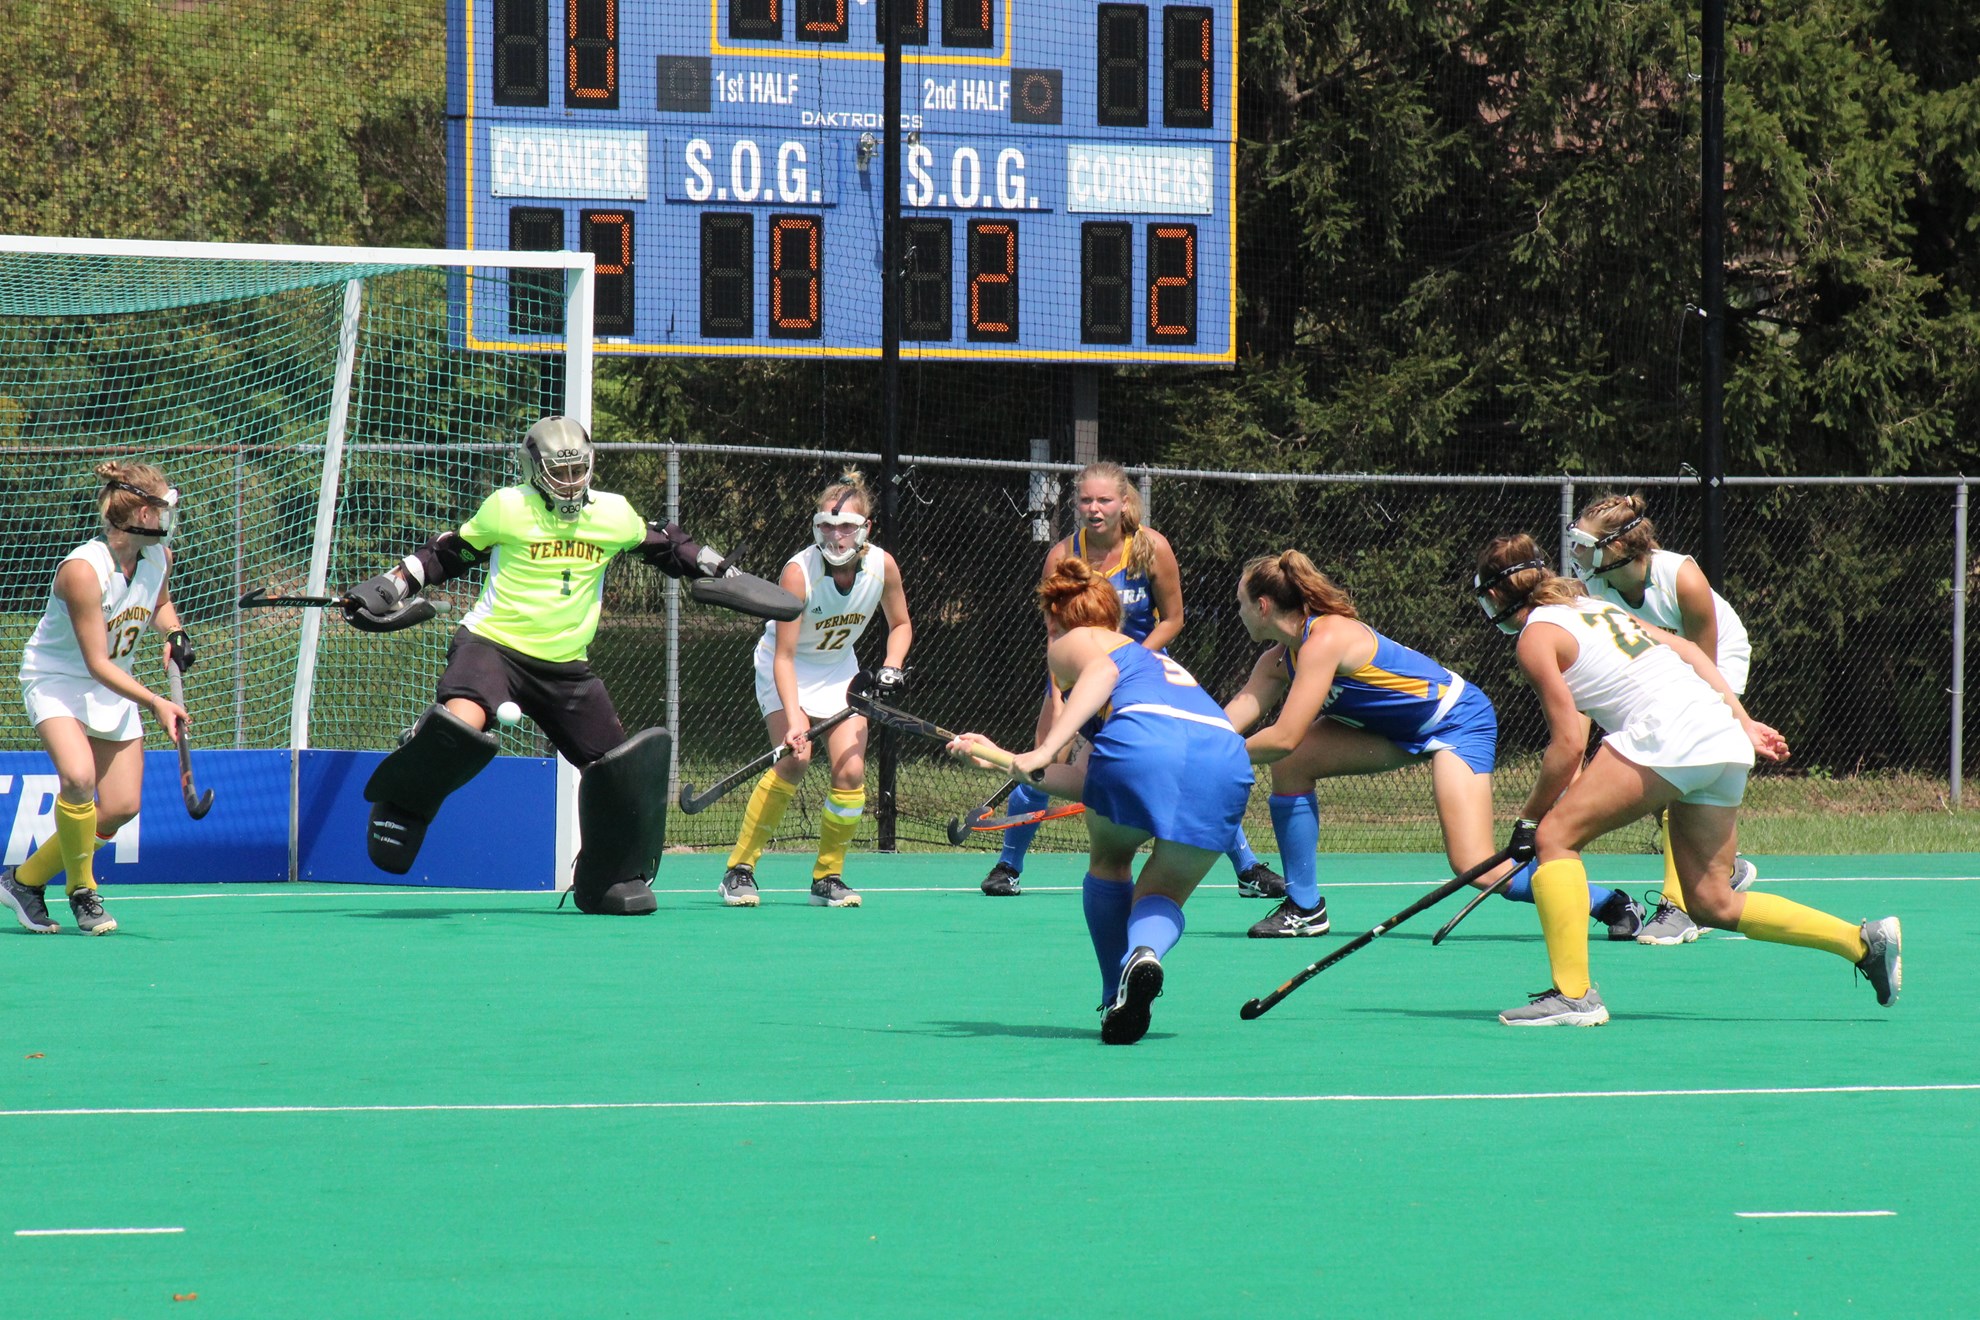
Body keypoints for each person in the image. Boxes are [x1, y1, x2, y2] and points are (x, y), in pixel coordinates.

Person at [344, 416, 794, 914]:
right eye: (560, 471)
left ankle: (609, 879)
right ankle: (404, 800)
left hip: (566, 666)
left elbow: (665, 543)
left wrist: (722, 570)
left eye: (579, 469)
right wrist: (390, 587)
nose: (571, 480)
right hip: (493, 645)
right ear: (533, 470)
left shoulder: (612, 514)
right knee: (462, 724)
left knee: (618, 771)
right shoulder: (508, 507)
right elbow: (446, 554)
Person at [1472, 534, 1900, 1026]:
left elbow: (1568, 743)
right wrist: (1741, 719)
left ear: (1498, 597)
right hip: (1717, 732)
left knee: (1555, 838)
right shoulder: (1590, 606)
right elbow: (1692, 654)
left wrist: (1529, 819)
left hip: (1668, 731)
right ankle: (1862, 942)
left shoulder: (1534, 637)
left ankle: (1574, 997)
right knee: (1711, 900)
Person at [1224, 550, 1640, 940]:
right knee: (1292, 764)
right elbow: (1230, 723)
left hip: (1457, 724)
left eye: (1240, 602)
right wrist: (1194, 741)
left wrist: (1217, 755)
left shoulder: (1325, 640)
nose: (1237, 612)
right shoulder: (1278, 661)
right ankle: (1304, 907)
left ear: (1263, 606)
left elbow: (1284, 735)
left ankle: (1608, 902)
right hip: (1389, 730)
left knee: (1474, 865)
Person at [949, 558, 1255, 1045]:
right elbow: (1090, 781)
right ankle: (1144, 955)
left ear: (1055, 618)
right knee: (1162, 896)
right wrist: (1005, 759)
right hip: (1226, 762)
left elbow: (1101, 672)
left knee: (1110, 862)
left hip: (1142, 745)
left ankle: (1115, 992)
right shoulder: (1154, 664)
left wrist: (1047, 747)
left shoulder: (1077, 643)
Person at [980, 461, 1282, 901]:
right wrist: (1061, 698)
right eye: (1086, 500)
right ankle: (1009, 865)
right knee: (1044, 756)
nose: (1094, 509)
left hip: (1144, 679)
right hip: (1076, 675)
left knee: (1191, 764)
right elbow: (1055, 634)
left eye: (1104, 500)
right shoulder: (1063, 556)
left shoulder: (1150, 548)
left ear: (1124, 502)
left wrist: (1130, 662)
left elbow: (1174, 619)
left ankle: (1247, 867)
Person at [2, 463, 194, 936]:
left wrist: (173, 630)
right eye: (162, 510)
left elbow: (159, 603)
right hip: (59, 680)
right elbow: (95, 663)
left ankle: (22, 881)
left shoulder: (157, 557)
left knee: (123, 805)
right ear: (140, 514)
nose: (168, 520)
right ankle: (82, 891)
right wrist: (156, 702)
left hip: (113, 684)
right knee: (79, 777)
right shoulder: (82, 572)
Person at [718, 470, 912, 910]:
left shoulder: (882, 566)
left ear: (866, 530)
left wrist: (891, 667)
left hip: (839, 669)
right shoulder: (798, 573)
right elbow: (784, 656)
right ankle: (739, 870)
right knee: (795, 759)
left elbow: (900, 625)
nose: (836, 535)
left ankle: (828, 876)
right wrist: (795, 718)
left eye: (846, 526)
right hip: (784, 667)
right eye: (826, 525)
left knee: (850, 773)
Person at [1569, 493, 1757, 944]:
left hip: (1711, 664)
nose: (1576, 554)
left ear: (1616, 548)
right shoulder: (1597, 588)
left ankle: (1680, 906)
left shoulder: (1682, 578)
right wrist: (1574, 762)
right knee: (1658, 778)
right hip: (1649, 667)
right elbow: (1586, 682)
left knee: (1678, 768)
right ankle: (1723, 870)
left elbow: (1701, 664)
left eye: (1584, 543)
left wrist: (1734, 720)